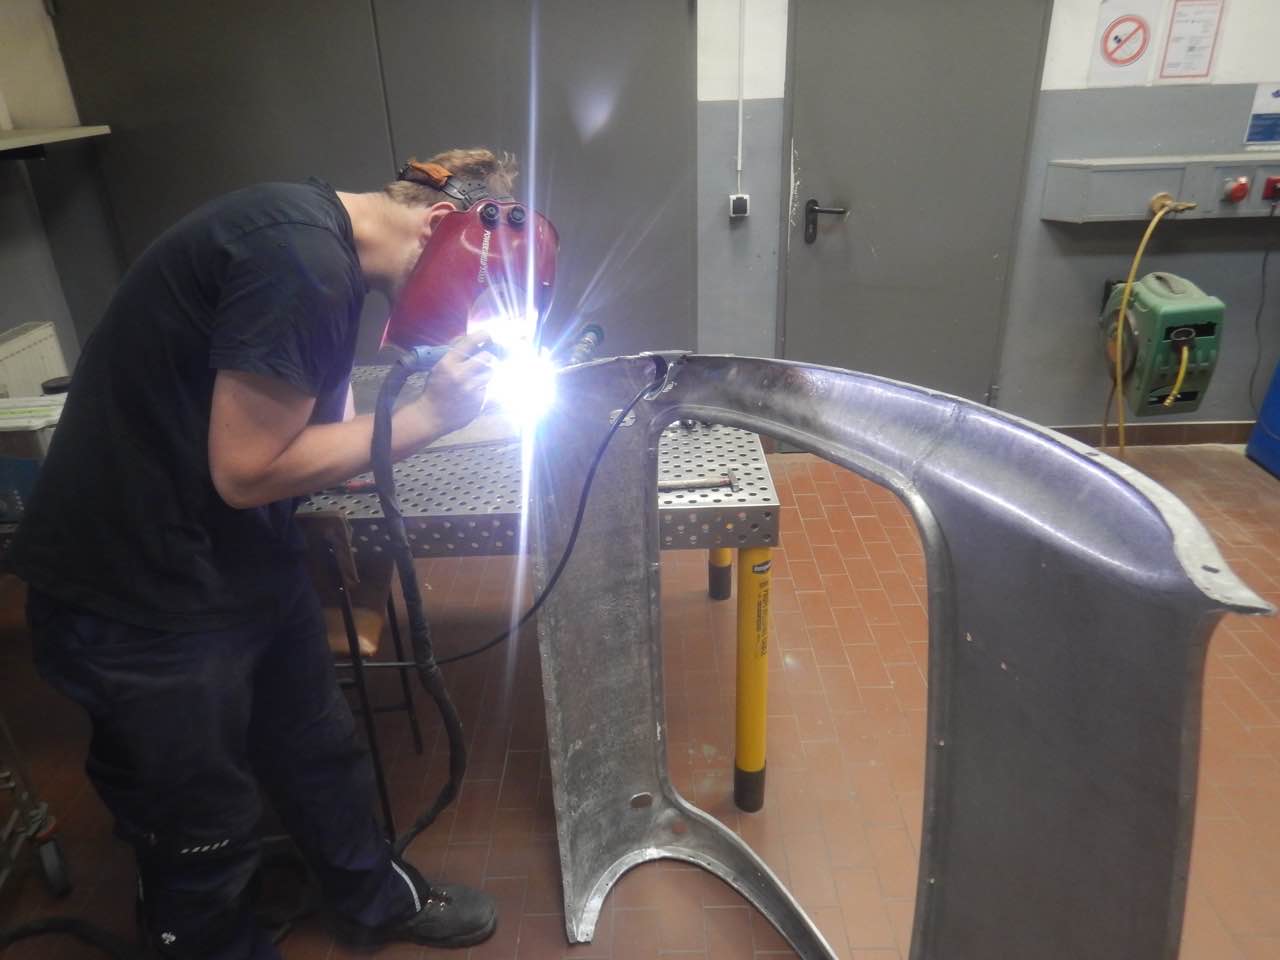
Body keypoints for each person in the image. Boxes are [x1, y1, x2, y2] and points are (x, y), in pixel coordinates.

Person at [7, 148, 521, 958]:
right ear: (437, 226)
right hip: (137, 585)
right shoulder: (297, 258)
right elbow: (247, 471)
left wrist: (401, 398)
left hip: (233, 553)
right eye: (478, 286)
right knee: (200, 821)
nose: (470, 311)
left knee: (318, 748)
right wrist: (428, 417)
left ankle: (371, 901)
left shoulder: (323, 245)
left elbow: (311, 433)